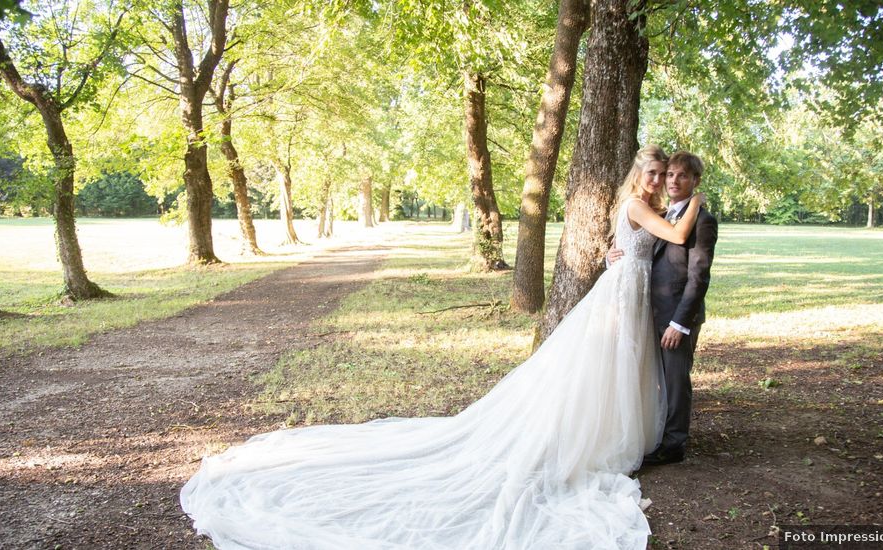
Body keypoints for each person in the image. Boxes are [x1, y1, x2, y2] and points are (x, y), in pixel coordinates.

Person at [180, 145, 704, 550]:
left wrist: (622, 251)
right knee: (604, 365)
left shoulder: (647, 206)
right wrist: (696, 201)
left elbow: (652, 244)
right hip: (621, 292)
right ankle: (597, 438)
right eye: (653, 173)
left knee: (622, 367)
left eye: (665, 175)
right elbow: (677, 238)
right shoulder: (642, 203)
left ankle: (623, 433)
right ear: (639, 176)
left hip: (633, 291)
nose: (659, 180)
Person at [609, 151, 718, 466]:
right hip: (648, 308)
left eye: (680, 176)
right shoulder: (663, 212)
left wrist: (680, 324)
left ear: (695, 181)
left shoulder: (702, 220)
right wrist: (612, 256)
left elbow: (698, 278)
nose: (670, 181)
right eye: (668, 174)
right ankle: (653, 434)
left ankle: (673, 445)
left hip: (676, 316)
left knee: (675, 378)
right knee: (652, 375)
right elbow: (636, 248)